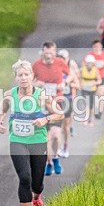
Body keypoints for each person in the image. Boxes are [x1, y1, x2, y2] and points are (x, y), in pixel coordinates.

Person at [0, 60, 63, 206]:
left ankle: (37, 197)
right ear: (16, 77)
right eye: (20, 75)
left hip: (38, 142)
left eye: (26, 74)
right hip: (17, 141)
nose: (23, 78)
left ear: (32, 76)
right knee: (25, 177)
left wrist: (45, 120)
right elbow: (2, 108)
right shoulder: (10, 95)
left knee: (37, 183)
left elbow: (59, 113)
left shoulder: (42, 96)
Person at [31, 42, 69, 175]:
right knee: (45, 138)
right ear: (42, 52)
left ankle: (56, 157)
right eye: (46, 52)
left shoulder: (60, 62)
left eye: (51, 52)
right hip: (41, 104)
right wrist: (35, 83)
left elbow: (71, 74)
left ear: (54, 51)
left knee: (56, 136)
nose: (48, 54)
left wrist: (64, 83)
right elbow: (28, 81)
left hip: (57, 102)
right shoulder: (36, 65)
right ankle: (49, 162)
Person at [57, 48, 79, 158]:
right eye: (59, 58)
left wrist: (69, 84)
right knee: (57, 126)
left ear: (67, 59)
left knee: (65, 126)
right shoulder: (55, 70)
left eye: (63, 58)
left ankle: (65, 147)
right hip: (56, 101)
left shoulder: (70, 71)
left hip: (68, 100)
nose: (61, 60)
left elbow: (78, 85)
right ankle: (58, 148)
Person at [87, 40, 104, 119]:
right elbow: (85, 64)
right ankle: (94, 109)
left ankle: (99, 111)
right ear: (93, 47)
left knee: (100, 94)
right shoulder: (90, 55)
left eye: (99, 46)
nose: (97, 48)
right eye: (95, 46)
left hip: (102, 76)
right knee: (94, 95)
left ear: (101, 47)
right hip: (92, 78)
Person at [78, 54, 102, 126]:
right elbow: (78, 77)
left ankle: (90, 120)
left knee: (91, 106)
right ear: (86, 63)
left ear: (93, 63)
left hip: (92, 89)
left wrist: (95, 82)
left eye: (91, 63)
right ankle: (85, 119)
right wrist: (80, 83)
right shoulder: (82, 69)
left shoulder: (95, 70)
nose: (89, 64)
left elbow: (99, 80)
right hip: (84, 88)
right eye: (88, 62)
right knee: (86, 104)